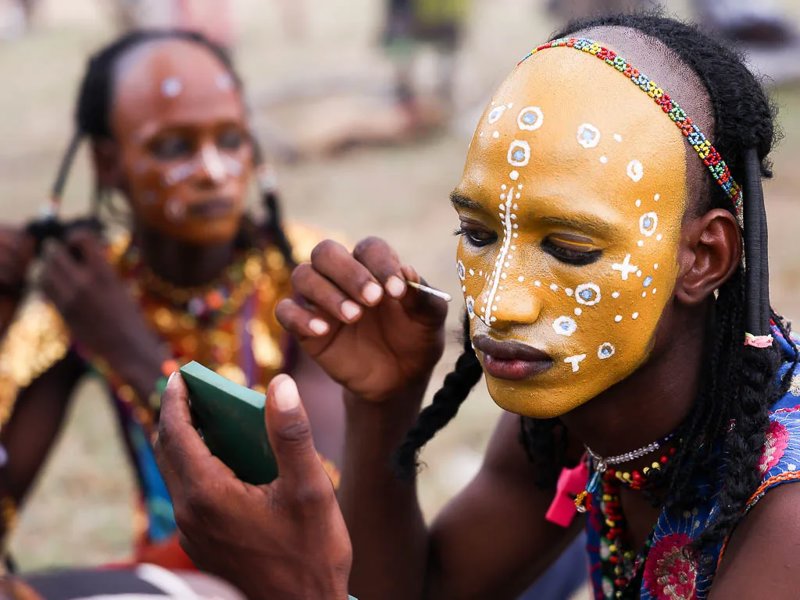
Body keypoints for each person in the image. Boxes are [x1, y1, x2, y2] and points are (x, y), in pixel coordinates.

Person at [155, 13, 800, 600]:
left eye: (570, 247)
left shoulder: (788, 515)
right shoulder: (572, 418)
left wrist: (303, 591)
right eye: (480, 234)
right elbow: (427, 591)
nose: (498, 302)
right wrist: (383, 407)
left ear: (704, 256)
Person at [0, 29, 343, 570]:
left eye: (231, 140)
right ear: (107, 164)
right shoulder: (89, 292)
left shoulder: (305, 276)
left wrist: (135, 353)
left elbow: (318, 512)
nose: (213, 172)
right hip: (166, 576)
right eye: (174, 147)